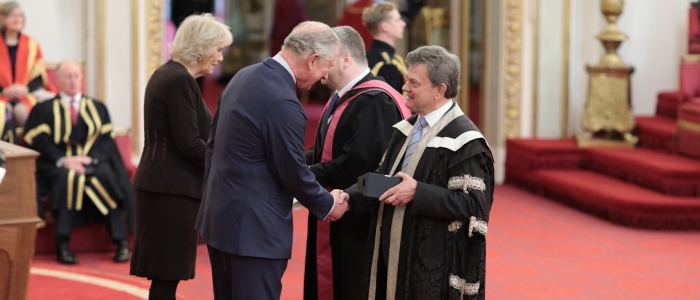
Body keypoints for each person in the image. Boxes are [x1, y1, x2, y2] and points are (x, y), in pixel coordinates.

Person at [195, 21, 349, 300]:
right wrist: (328, 204)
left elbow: (212, 146)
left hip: (221, 220)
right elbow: (291, 171)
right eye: (325, 68)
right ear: (312, 59)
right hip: (253, 234)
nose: (323, 78)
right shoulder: (284, 102)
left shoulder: (244, 75)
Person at [346, 46, 495, 299]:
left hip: (431, 265)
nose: (404, 87)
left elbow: (474, 207)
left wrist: (418, 192)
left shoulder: (465, 141)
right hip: (390, 253)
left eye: (413, 82)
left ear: (440, 90)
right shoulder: (406, 128)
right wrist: (347, 198)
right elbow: (385, 178)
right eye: (407, 80)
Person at [303, 25, 410, 300]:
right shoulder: (342, 97)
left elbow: (358, 164)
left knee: (351, 286)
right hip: (336, 211)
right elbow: (324, 151)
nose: (321, 68)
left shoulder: (376, 101)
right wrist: (294, 164)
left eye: (326, 59)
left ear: (346, 58)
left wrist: (299, 175)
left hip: (357, 218)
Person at [129, 13, 232, 300]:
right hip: (170, 190)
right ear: (201, 47)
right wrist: (227, 164)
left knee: (166, 277)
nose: (220, 58)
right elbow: (189, 143)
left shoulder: (171, 74)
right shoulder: (178, 80)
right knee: (167, 277)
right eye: (218, 49)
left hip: (165, 187)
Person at [23, 60, 134, 265]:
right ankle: (62, 245)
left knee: (106, 176)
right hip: (59, 165)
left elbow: (107, 142)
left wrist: (90, 159)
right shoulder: (43, 109)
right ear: (57, 80)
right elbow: (39, 140)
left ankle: (121, 242)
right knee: (67, 178)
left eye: (76, 76)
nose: (73, 81)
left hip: (93, 162)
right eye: (68, 76)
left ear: (82, 78)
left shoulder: (98, 107)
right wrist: (64, 159)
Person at [0, 1, 56, 129]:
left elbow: (38, 75)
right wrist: (4, 90)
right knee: (4, 111)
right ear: (2, 19)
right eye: (13, 15)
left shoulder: (31, 44)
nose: (17, 19)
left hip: (24, 94)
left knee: (21, 112)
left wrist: (26, 89)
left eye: (20, 15)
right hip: (1, 95)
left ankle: (28, 146)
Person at [362, 2, 407, 94]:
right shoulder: (385, 64)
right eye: (398, 20)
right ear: (385, 27)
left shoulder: (367, 56)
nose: (403, 24)